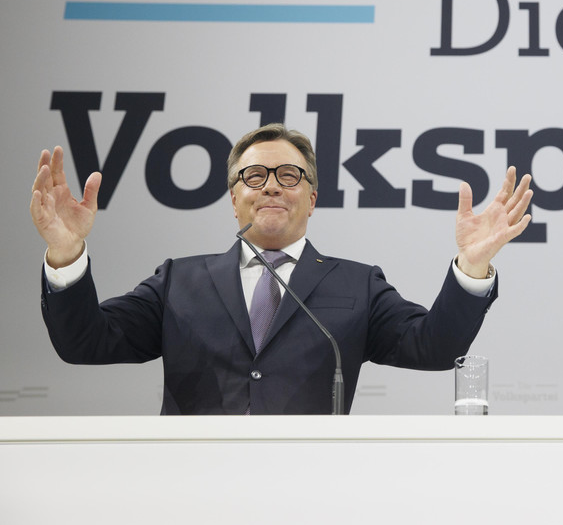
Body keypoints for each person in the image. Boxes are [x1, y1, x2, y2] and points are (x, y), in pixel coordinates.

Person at [30, 123, 533, 414]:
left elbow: (434, 348)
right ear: (234, 199)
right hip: (191, 489)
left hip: (311, 490)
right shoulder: (178, 283)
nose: (271, 185)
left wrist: (472, 264)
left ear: (311, 198)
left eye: (289, 175)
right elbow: (84, 344)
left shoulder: (357, 284)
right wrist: (67, 253)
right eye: (254, 176)